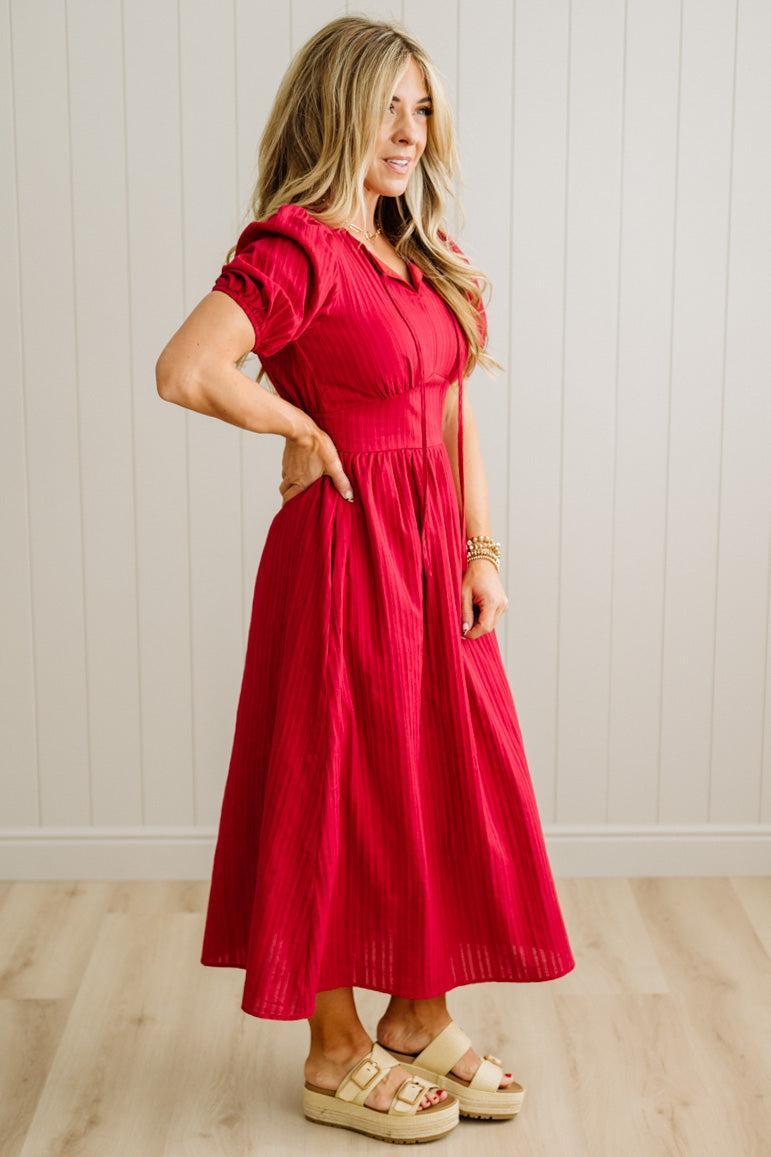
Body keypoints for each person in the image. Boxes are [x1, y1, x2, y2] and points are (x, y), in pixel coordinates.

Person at [156, 14, 575, 1146]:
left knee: (436, 772)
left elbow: (452, 410)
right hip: (342, 551)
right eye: (386, 103)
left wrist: (483, 551)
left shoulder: (421, 249)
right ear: (334, 108)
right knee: (337, 778)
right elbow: (187, 367)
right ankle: (333, 1045)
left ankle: (416, 1013)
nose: (407, 129)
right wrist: (297, 422)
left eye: (422, 106)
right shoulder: (294, 248)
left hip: (433, 555)